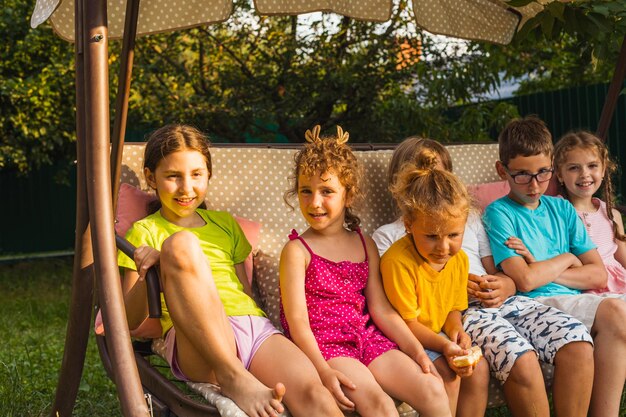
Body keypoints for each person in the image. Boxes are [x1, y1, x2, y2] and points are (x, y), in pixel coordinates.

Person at [119, 124, 344, 417]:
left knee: (315, 395)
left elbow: (243, 293)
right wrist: (152, 270)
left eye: (197, 175)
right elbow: (128, 320)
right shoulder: (144, 232)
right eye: (173, 176)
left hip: (251, 328)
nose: (187, 187)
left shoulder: (225, 224)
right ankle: (232, 375)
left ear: (208, 175)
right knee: (180, 244)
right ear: (151, 177)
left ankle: (239, 370)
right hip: (197, 337)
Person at [373, 137, 594, 417]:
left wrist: (506, 283)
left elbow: (493, 270)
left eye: (440, 176)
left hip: (501, 301)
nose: (432, 185)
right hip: (463, 313)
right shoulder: (390, 239)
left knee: (576, 341)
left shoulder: (469, 223)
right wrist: (457, 300)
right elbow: (404, 305)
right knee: (520, 359)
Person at [279, 125, 451, 417]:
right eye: (305, 191)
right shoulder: (297, 251)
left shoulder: (364, 242)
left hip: (369, 338)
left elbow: (381, 310)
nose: (314, 202)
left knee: (432, 387)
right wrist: (322, 370)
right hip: (328, 347)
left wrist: (416, 350)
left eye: (327, 191)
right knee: (379, 403)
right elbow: (298, 324)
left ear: (348, 195)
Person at [483, 115, 626, 417]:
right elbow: (524, 280)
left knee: (617, 312)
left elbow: (598, 273)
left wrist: (543, 267)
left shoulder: (561, 208)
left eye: (543, 173)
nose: (535, 185)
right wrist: (568, 258)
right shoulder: (500, 213)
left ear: (551, 165)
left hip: (570, 299)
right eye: (522, 175)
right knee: (615, 311)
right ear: (502, 170)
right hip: (532, 304)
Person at [378, 150, 489, 417]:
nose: (443, 247)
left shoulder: (458, 260)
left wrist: (456, 333)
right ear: (408, 224)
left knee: (480, 370)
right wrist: (444, 347)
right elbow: (406, 323)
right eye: (431, 236)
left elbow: (452, 307)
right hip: (401, 338)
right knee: (449, 375)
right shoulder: (398, 262)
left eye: (453, 234)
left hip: (435, 335)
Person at [553, 131, 626, 294]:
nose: (584, 174)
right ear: (559, 174)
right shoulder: (555, 212)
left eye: (592, 166)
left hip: (619, 285)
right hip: (581, 285)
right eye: (574, 168)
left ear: (603, 169)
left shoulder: (611, 214)